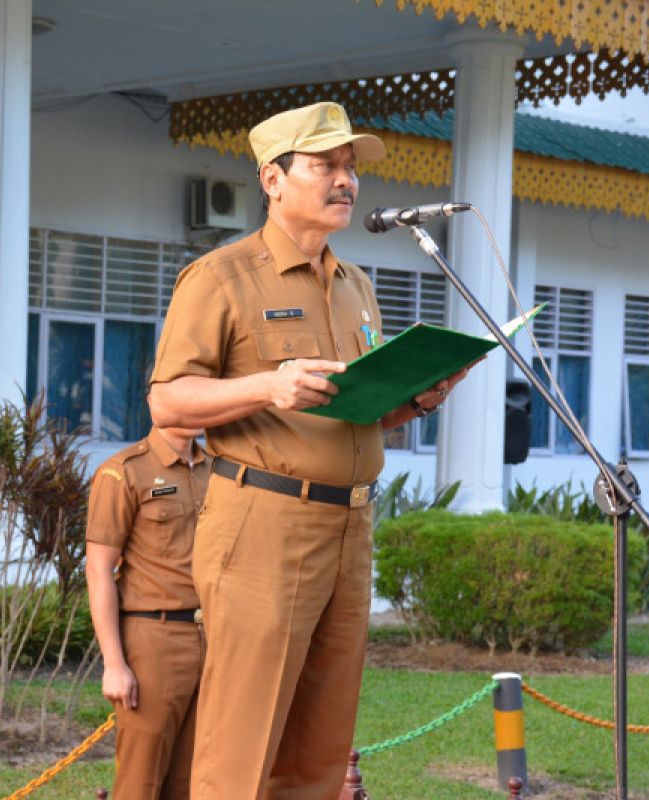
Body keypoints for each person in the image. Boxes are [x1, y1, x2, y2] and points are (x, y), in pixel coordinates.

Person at [148, 102, 474, 798]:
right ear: (273, 178)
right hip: (265, 525)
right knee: (243, 744)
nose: (346, 181)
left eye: (350, 167)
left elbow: (351, 411)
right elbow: (168, 402)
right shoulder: (221, 278)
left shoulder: (356, 286)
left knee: (321, 745)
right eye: (325, 165)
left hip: (349, 526)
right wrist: (270, 384)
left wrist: (415, 399)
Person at [85, 424, 211, 799]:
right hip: (155, 640)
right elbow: (98, 571)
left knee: (194, 778)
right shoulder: (123, 471)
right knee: (142, 781)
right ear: (157, 400)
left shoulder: (217, 468)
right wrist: (113, 664)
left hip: (214, 636)